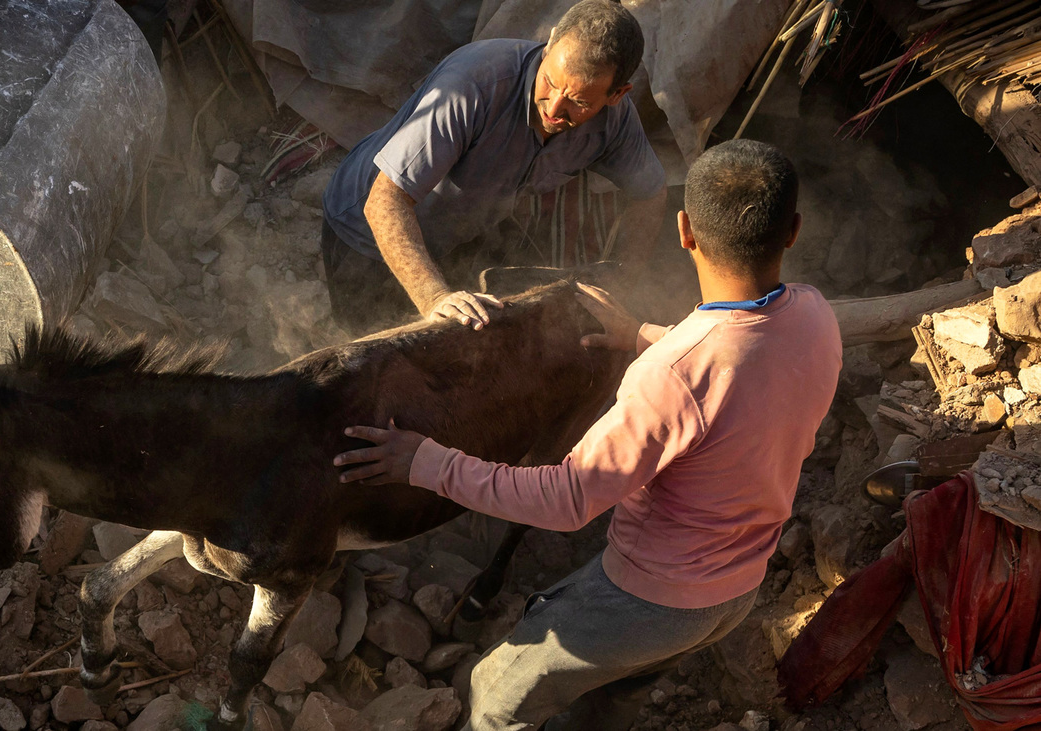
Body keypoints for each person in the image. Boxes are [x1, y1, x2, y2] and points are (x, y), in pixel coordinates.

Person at [331, 139, 843, 730]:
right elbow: (739, 359)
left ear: (684, 231)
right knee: (617, 696)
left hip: (653, 600)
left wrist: (426, 462)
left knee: (495, 697)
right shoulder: (814, 313)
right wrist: (646, 334)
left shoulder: (671, 375)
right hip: (739, 591)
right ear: (795, 230)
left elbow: (569, 499)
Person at [321, 0, 668, 336]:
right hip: (365, 232)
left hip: (460, 234)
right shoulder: (474, 84)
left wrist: (622, 280)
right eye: (550, 81)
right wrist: (436, 298)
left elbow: (650, 193)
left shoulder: (616, 121)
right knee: (375, 358)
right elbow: (384, 201)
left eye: (578, 102)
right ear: (548, 47)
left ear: (617, 94)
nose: (555, 107)